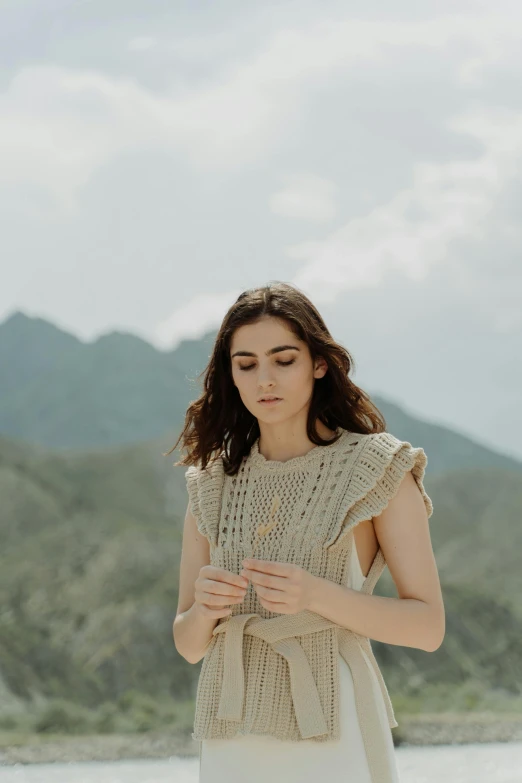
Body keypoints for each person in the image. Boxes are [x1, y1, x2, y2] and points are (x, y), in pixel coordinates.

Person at [169, 281, 445, 783]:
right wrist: (204, 610)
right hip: (230, 732)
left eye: (284, 359)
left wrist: (315, 594)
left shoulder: (377, 467)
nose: (264, 380)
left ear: (319, 363)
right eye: (246, 364)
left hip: (335, 728)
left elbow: (428, 628)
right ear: (230, 375)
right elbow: (189, 645)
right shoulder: (210, 484)